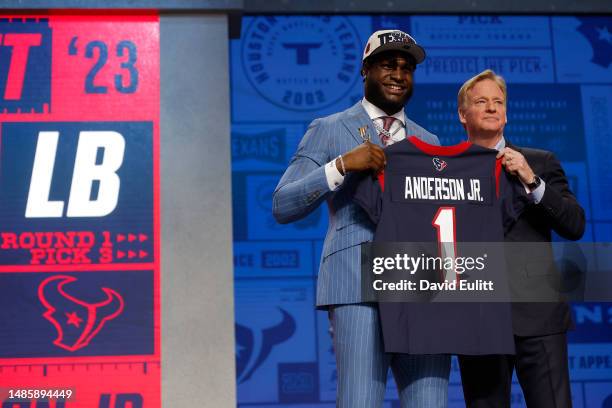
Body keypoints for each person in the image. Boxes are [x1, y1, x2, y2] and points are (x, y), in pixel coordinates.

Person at [273, 29, 450, 408]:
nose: (398, 75)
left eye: (407, 67)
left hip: (422, 287)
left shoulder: (431, 142)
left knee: (431, 403)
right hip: (357, 284)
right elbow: (283, 205)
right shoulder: (330, 128)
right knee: (359, 401)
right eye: (388, 65)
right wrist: (340, 165)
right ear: (365, 70)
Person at [456, 69, 585, 408]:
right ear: (462, 114)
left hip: (539, 318)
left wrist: (532, 180)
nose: (491, 107)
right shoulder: (444, 170)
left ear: (507, 113)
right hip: (477, 320)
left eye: (498, 102)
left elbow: (575, 225)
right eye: (481, 101)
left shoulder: (540, 162)